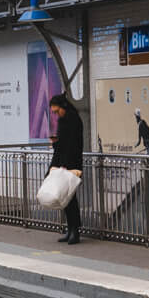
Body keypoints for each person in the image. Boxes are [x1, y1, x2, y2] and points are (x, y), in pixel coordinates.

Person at [47, 93, 84, 245]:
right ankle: (71, 229)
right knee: (66, 198)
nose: (56, 114)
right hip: (64, 163)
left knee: (70, 198)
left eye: (57, 111)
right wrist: (57, 142)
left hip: (72, 164)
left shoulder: (73, 119)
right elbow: (64, 144)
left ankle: (75, 230)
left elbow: (73, 145)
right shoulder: (64, 120)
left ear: (63, 106)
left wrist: (64, 162)